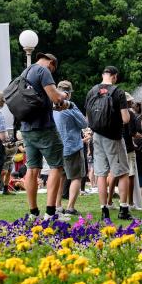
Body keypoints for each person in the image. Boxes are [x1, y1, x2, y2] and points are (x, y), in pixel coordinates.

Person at [18, 52, 70, 220]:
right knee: (56, 166)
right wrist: (63, 97)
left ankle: (34, 213)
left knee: (32, 169)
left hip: (26, 128)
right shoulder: (43, 71)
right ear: (52, 63)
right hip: (44, 128)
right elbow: (55, 97)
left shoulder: (25, 72)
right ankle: (50, 213)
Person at [86, 66, 133, 221]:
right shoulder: (118, 92)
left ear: (103, 75)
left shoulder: (92, 91)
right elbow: (125, 119)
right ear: (115, 77)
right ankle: (124, 209)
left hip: (96, 137)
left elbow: (88, 118)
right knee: (123, 172)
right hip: (114, 137)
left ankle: (104, 209)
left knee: (100, 173)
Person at [52, 80, 88, 217]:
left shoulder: (51, 106)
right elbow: (84, 124)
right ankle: (70, 207)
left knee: (60, 177)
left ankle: (57, 205)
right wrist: (73, 107)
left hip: (57, 147)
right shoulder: (69, 107)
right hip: (72, 146)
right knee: (76, 177)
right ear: (68, 94)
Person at [123, 92, 142, 211]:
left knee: (117, 175)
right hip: (129, 148)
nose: (131, 102)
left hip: (118, 147)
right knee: (130, 175)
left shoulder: (115, 113)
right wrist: (141, 136)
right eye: (130, 101)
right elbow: (133, 132)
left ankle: (110, 201)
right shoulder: (129, 113)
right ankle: (130, 202)